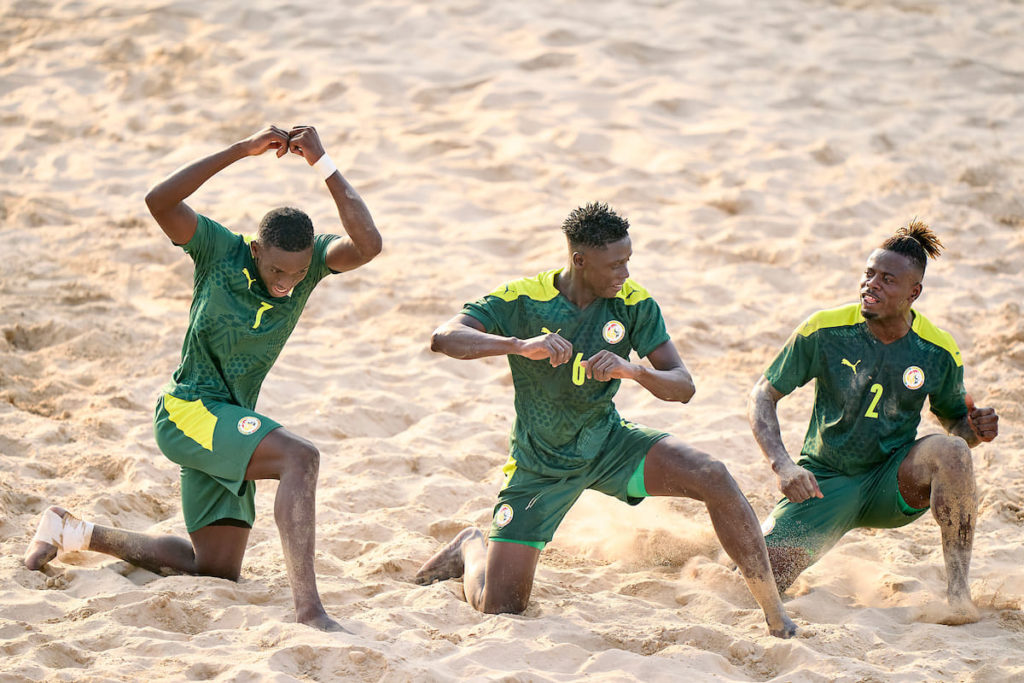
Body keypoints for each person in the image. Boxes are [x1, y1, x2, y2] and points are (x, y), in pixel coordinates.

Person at [24, 124, 382, 632]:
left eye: (296, 275)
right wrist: (242, 149)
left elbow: (368, 244)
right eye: (278, 271)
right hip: (189, 410)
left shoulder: (311, 266)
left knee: (213, 568)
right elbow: (158, 201)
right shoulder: (219, 250)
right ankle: (310, 610)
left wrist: (322, 163)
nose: (286, 285)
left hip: (233, 420)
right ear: (257, 249)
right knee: (301, 458)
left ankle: (71, 530)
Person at [415, 202, 796, 638]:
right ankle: (470, 547)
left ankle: (772, 610)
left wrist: (635, 371)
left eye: (628, 261)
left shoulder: (633, 304)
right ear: (579, 261)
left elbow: (683, 385)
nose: (625, 274)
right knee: (501, 609)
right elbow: (444, 338)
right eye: (615, 265)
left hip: (609, 444)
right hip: (540, 464)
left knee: (713, 474)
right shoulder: (523, 297)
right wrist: (519, 346)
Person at [748, 220, 998, 624]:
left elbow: (956, 424)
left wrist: (976, 431)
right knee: (754, 580)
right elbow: (762, 395)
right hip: (824, 482)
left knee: (950, 451)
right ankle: (751, 538)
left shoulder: (937, 349)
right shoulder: (825, 329)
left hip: (892, 479)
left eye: (887, 279)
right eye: (868, 274)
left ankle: (958, 595)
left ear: (913, 293)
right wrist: (784, 465)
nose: (871, 285)